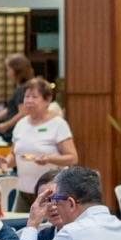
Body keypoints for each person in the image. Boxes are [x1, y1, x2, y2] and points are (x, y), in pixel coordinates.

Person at [9, 80, 75, 209]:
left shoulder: (58, 124)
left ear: (47, 100)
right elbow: (14, 157)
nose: (29, 101)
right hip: (24, 191)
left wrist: (49, 159)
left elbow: (72, 158)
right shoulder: (20, 124)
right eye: (27, 96)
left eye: (34, 97)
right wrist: (5, 162)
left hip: (51, 193)